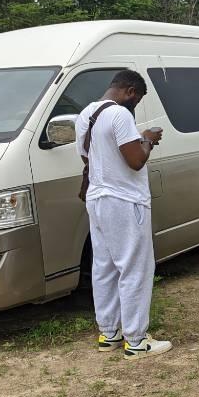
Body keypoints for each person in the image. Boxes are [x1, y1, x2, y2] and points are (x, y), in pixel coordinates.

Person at [76, 70, 169, 360]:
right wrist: (147, 140)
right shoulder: (120, 114)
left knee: (104, 268)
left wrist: (137, 140)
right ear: (129, 91)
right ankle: (137, 341)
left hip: (97, 199)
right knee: (135, 268)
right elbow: (136, 161)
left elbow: (89, 157)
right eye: (137, 99)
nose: (135, 105)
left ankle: (109, 334)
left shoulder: (85, 115)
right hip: (125, 202)